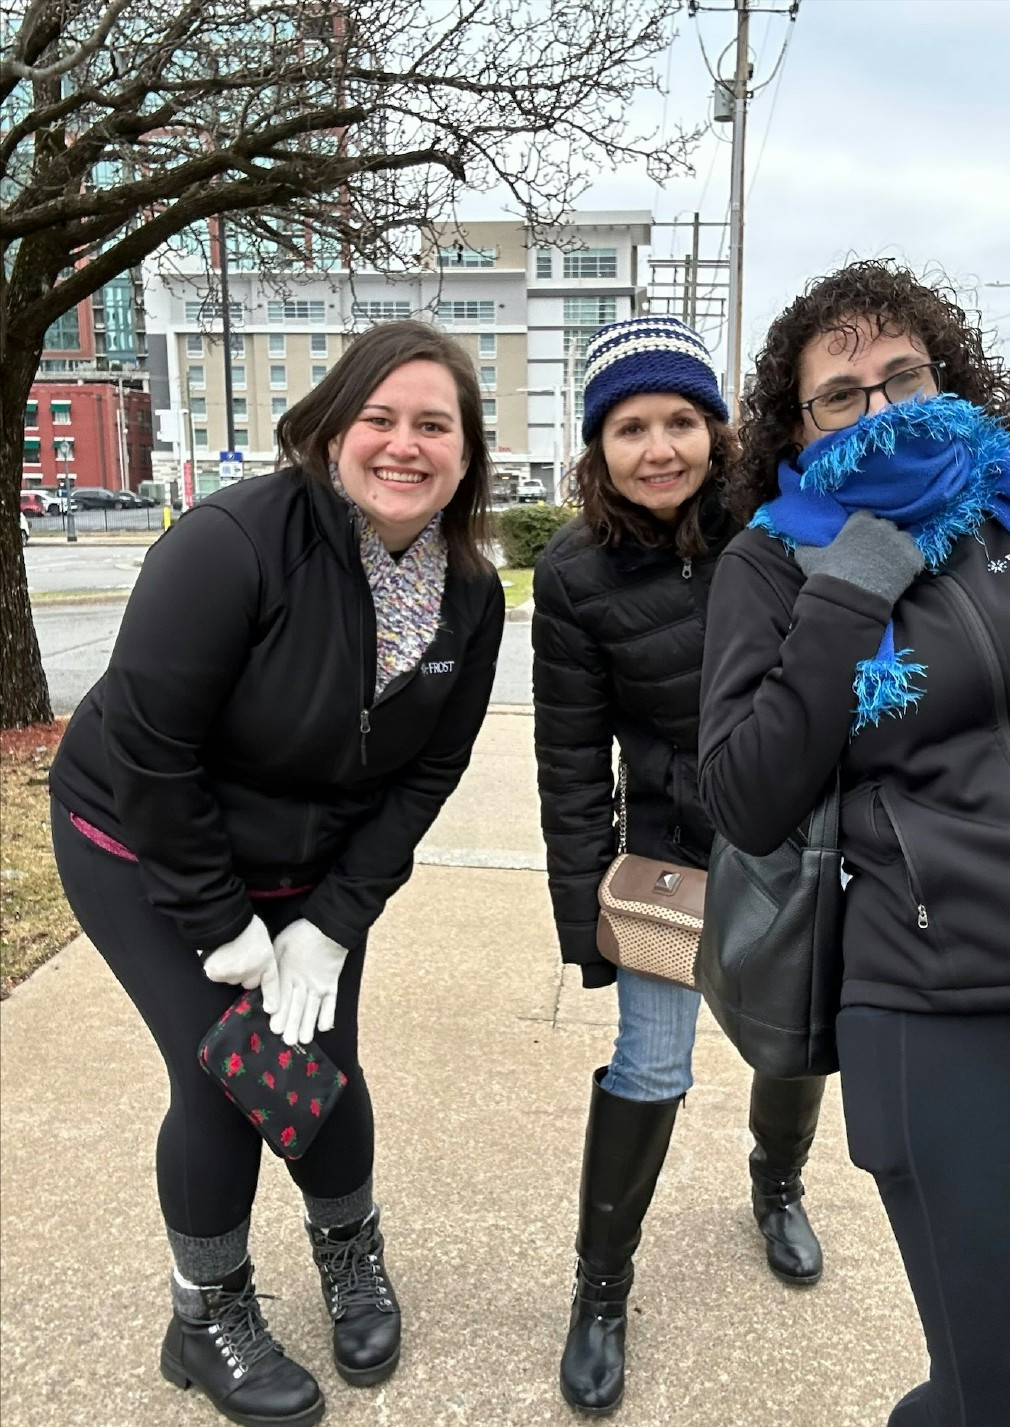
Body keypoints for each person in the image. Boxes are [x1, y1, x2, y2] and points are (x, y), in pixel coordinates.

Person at [696, 262, 1010, 1427]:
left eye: (903, 374)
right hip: (940, 1001)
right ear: (795, 424)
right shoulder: (775, 557)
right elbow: (749, 793)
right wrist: (852, 585)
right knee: (1007, 1374)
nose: (882, 406)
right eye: (841, 392)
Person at [49, 321, 504, 1427]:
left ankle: (349, 1248)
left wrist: (332, 923)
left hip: (307, 870)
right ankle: (202, 1312)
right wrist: (219, 922)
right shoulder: (232, 542)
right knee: (226, 1072)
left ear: (466, 450)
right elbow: (153, 753)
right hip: (142, 839)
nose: (405, 445)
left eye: (433, 424)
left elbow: (427, 773)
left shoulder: (470, 594)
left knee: (319, 1066)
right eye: (380, 418)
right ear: (333, 428)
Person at [532, 315, 828, 1417]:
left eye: (680, 420)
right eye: (630, 426)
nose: (659, 447)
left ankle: (777, 1180)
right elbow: (569, 754)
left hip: (794, 839)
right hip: (670, 854)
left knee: (793, 1044)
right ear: (598, 447)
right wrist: (584, 919)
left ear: (717, 427)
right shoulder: (571, 575)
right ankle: (600, 1289)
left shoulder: (778, 521)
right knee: (650, 1064)